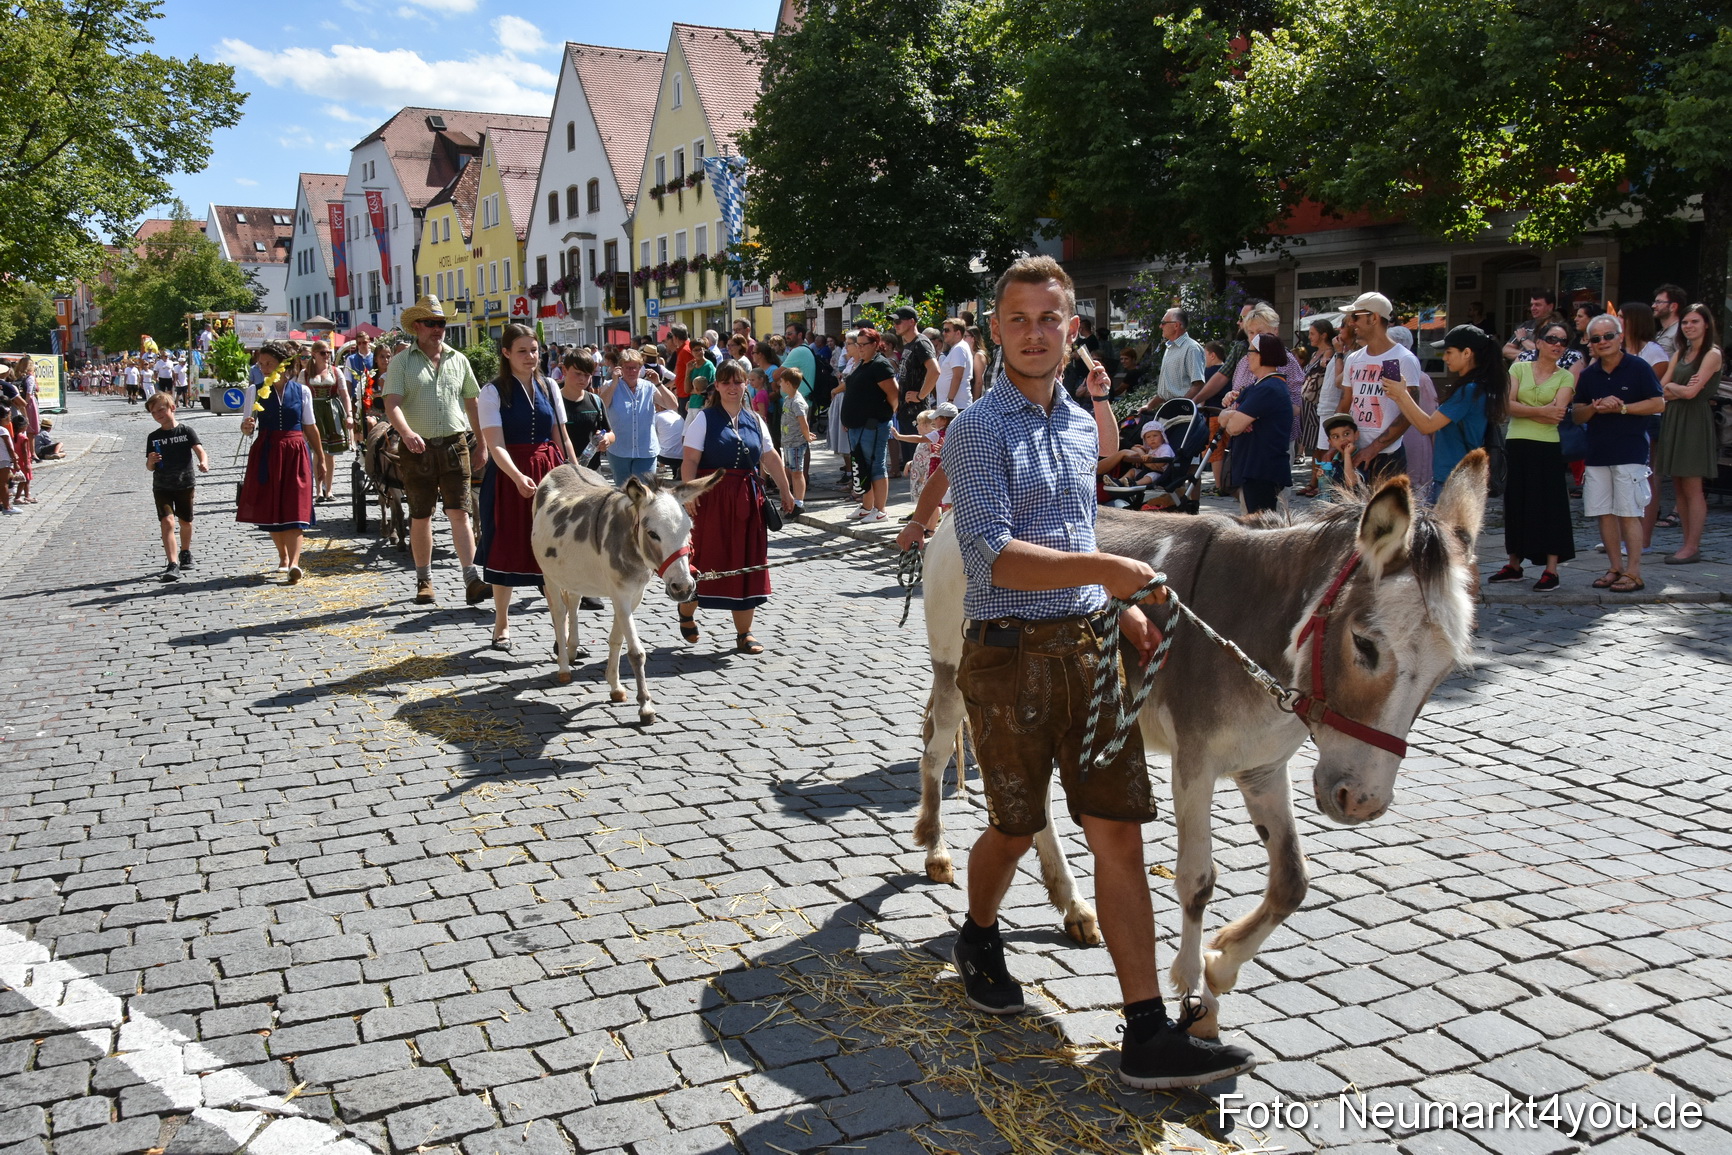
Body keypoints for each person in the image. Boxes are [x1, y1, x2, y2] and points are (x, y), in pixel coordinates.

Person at [940, 254, 1253, 1089]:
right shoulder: (976, 430)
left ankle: (1146, 1031)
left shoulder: (1081, 425)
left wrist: (1122, 609)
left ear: (1072, 329)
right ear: (995, 329)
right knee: (1014, 825)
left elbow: (1076, 536)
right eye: (1018, 319)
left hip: (1090, 648)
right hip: (1006, 657)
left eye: (1050, 319)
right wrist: (1113, 574)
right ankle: (976, 931)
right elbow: (991, 556)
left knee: (1116, 831)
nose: (1035, 334)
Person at [677, 361, 796, 655]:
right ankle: (687, 611)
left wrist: (785, 489)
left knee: (747, 561)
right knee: (704, 559)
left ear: (745, 385)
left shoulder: (755, 421)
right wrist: (689, 493)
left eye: (738, 382)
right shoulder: (704, 420)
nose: (732, 387)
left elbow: (769, 457)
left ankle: (744, 634)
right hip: (711, 500)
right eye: (726, 382)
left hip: (747, 500)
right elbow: (690, 461)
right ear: (716, 386)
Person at [474, 324, 578, 650]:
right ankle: (501, 624)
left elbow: (561, 436)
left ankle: (561, 634)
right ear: (506, 353)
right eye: (522, 351)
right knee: (508, 545)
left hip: (551, 473)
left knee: (556, 552)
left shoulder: (549, 386)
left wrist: (576, 475)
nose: (530, 357)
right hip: (510, 477)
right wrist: (518, 477)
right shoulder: (493, 392)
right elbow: (495, 445)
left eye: (534, 350)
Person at [382, 295, 487, 606]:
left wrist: (482, 443)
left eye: (442, 323)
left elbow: (473, 403)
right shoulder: (402, 361)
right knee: (421, 515)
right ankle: (424, 580)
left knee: (460, 512)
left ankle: (471, 579)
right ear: (417, 326)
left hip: (455, 445)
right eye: (432, 323)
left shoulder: (458, 359)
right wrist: (406, 433)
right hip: (418, 449)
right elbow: (392, 404)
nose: (438, 328)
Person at [1572, 314, 1665, 594]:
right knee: (1604, 513)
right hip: (1597, 452)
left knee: (1629, 513)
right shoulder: (1588, 375)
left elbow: (1658, 402)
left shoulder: (1638, 368)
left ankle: (1634, 572)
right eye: (1596, 338)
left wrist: (1622, 408)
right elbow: (1577, 414)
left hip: (1630, 451)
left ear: (1620, 336)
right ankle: (1615, 567)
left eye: (1608, 336)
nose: (1603, 342)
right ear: (1591, 342)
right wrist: (1596, 407)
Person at [1490, 319, 1576, 591]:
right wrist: (1541, 411)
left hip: (1547, 447)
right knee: (1516, 502)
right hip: (1517, 443)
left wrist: (1524, 407)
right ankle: (1514, 564)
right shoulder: (1520, 367)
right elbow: (1506, 405)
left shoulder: (1566, 376)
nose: (1557, 345)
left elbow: (1557, 415)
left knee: (1551, 505)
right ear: (1538, 342)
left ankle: (1551, 569)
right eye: (1552, 339)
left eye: (1563, 341)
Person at [1381, 324, 1505, 503]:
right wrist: (1399, 396)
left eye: (1449, 352)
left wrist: (1402, 394)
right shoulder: (1477, 386)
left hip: (1455, 477)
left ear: (1467, 353)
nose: (1445, 357)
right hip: (1458, 475)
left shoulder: (1468, 390)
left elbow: (1427, 425)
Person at [237, 340, 322, 582]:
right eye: (261, 363)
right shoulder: (254, 391)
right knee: (273, 506)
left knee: (296, 505)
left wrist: (321, 458)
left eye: (268, 363)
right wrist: (246, 426)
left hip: (295, 450)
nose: (263, 367)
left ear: (283, 365)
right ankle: (283, 558)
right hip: (268, 450)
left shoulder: (302, 391)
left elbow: (310, 426)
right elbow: (246, 430)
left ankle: (294, 563)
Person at [1652, 303, 1721, 565]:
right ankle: (1685, 543)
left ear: (1706, 324)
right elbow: (1661, 387)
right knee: (1679, 484)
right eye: (1686, 322)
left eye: (1695, 321)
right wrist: (1676, 387)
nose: (1689, 326)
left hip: (1694, 420)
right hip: (1675, 417)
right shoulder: (1681, 351)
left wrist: (1674, 388)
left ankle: (1692, 546)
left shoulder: (1711, 354)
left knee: (1692, 486)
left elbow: (1692, 393)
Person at [1337, 292, 1417, 481]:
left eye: (1355, 316)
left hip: (1387, 456)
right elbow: (1346, 402)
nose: (1351, 322)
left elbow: (1408, 413)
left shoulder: (1400, 359)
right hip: (1353, 452)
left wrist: (1373, 449)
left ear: (1374, 318)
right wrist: (1335, 442)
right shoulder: (1354, 359)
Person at [1222, 332, 1297, 513]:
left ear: (1262, 355)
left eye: (1250, 352)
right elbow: (1223, 418)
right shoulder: (1259, 385)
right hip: (1255, 468)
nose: (1247, 357)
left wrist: (1233, 417)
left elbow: (1232, 427)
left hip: (1262, 469)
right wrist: (1233, 414)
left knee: (1260, 530)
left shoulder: (1269, 388)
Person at [144, 392, 210, 582]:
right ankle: (172, 564)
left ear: (172, 408)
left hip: (185, 483)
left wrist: (203, 462)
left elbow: (199, 450)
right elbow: (150, 468)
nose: (157, 415)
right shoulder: (153, 437)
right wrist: (150, 461)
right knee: (167, 522)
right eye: (153, 413)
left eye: (160, 410)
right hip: (162, 486)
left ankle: (185, 552)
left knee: (186, 522)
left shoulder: (186, 431)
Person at [840, 328, 899, 523]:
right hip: (857, 425)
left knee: (875, 465)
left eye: (864, 344)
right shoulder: (863, 364)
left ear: (875, 344)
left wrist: (882, 415)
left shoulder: (880, 365)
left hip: (872, 425)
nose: (860, 348)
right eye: (858, 344)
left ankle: (880, 510)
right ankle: (867, 506)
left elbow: (893, 394)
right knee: (862, 465)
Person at [600, 347, 679, 488]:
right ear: (620, 368)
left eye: (635, 368)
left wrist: (658, 383)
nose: (631, 371)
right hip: (619, 449)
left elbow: (672, 405)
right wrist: (614, 383)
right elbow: (603, 405)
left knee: (645, 491)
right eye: (627, 368)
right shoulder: (610, 385)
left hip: (645, 450)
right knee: (623, 491)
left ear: (640, 368)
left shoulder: (649, 387)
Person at [300, 341, 354, 503]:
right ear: (314, 354)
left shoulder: (336, 372)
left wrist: (349, 415)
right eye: (323, 353)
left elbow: (344, 395)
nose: (327, 356)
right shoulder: (305, 373)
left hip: (332, 412)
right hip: (313, 412)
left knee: (330, 453)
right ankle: (318, 491)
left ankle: (329, 489)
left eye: (329, 352)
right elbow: (299, 396)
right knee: (318, 451)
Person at [891, 306, 938, 475]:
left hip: (916, 411)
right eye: (894, 322)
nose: (895, 325)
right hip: (906, 410)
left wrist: (920, 395)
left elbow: (935, 370)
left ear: (912, 322)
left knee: (919, 458)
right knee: (912, 461)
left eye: (898, 321)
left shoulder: (921, 342)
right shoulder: (909, 344)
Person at [1295, 318, 1337, 496]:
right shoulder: (1315, 354)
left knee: (1321, 447)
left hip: (1322, 405)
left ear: (1323, 334)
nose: (1309, 337)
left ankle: (1322, 482)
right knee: (1314, 445)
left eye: (1313, 333)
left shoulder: (1331, 354)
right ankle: (1314, 481)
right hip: (1309, 404)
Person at [559, 351, 611, 467]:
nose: (582, 379)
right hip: (560, 472)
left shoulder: (595, 401)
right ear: (564, 370)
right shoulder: (553, 401)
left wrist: (606, 439)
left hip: (591, 472)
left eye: (587, 375)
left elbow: (610, 432)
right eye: (577, 373)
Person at [776, 366, 813, 511]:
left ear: (789, 384)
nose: (780, 384)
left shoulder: (797, 402)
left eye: (782, 382)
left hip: (796, 443)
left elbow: (803, 422)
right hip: (788, 442)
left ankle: (799, 502)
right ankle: (788, 499)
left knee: (797, 473)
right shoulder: (787, 399)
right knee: (789, 470)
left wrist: (807, 436)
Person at [1156, 308, 1206, 403]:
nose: (1160, 326)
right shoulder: (1170, 347)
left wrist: (1181, 406)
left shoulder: (1191, 348)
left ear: (1176, 325)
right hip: (1168, 410)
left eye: (1163, 323)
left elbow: (1198, 384)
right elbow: (1167, 391)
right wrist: (1149, 406)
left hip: (1184, 413)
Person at [1502, 289, 1563, 361]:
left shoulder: (1559, 329)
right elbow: (1506, 350)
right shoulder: (1526, 325)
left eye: (1537, 305)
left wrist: (1523, 340)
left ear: (1550, 306)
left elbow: (1547, 354)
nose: (1532, 308)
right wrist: (1528, 355)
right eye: (1532, 305)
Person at [931, 318, 974, 411]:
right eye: (943, 330)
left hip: (956, 405)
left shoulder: (959, 348)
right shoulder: (957, 348)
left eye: (947, 330)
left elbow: (957, 376)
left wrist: (950, 400)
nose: (943, 333)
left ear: (958, 333)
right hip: (953, 405)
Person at [1319, 413, 1361, 490]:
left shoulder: (1360, 458)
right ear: (1330, 442)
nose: (1342, 439)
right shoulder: (1334, 460)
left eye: (1346, 434)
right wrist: (1322, 476)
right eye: (1335, 437)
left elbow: (1351, 483)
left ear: (1356, 435)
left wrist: (1347, 455)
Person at [1651, 283, 1686, 357]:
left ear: (1673, 306)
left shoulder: (1680, 331)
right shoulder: (1661, 332)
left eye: (1659, 302)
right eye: (1654, 302)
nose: (1653, 306)